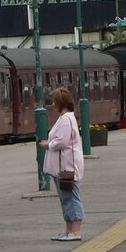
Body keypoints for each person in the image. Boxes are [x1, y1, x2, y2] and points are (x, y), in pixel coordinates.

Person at [39, 87, 84, 242]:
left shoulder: (66, 120)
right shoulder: (66, 118)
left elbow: (62, 142)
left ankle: (76, 231)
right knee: (66, 198)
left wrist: (48, 144)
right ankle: (68, 231)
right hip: (63, 167)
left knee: (71, 198)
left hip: (66, 167)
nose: (53, 104)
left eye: (54, 101)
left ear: (60, 102)